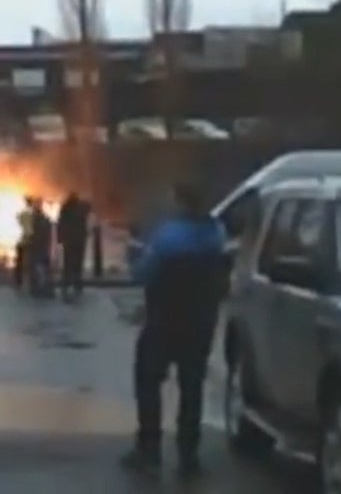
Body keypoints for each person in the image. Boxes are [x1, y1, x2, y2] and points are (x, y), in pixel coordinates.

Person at [121, 182, 228, 480]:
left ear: (180, 202)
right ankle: (189, 454)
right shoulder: (215, 233)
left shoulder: (168, 237)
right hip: (201, 323)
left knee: (148, 380)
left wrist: (133, 252)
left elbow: (143, 273)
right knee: (192, 388)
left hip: (165, 320)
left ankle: (149, 448)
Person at [56, 192, 91, 299]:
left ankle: (66, 285)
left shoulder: (65, 209)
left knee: (68, 264)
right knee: (78, 264)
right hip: (79, 240)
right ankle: (77, 285)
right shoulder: (81, 209)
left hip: (69, 241)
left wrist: (60, 238)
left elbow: (60, 224)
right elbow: (88, 210)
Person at [28, 199, 55, 297]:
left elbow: (31, 234)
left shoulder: (34, 221)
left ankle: (38, 287)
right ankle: (46, 288)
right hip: (43, 247)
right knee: (44, 267)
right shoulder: (46, 220)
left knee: (37, 267)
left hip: (37, 247)